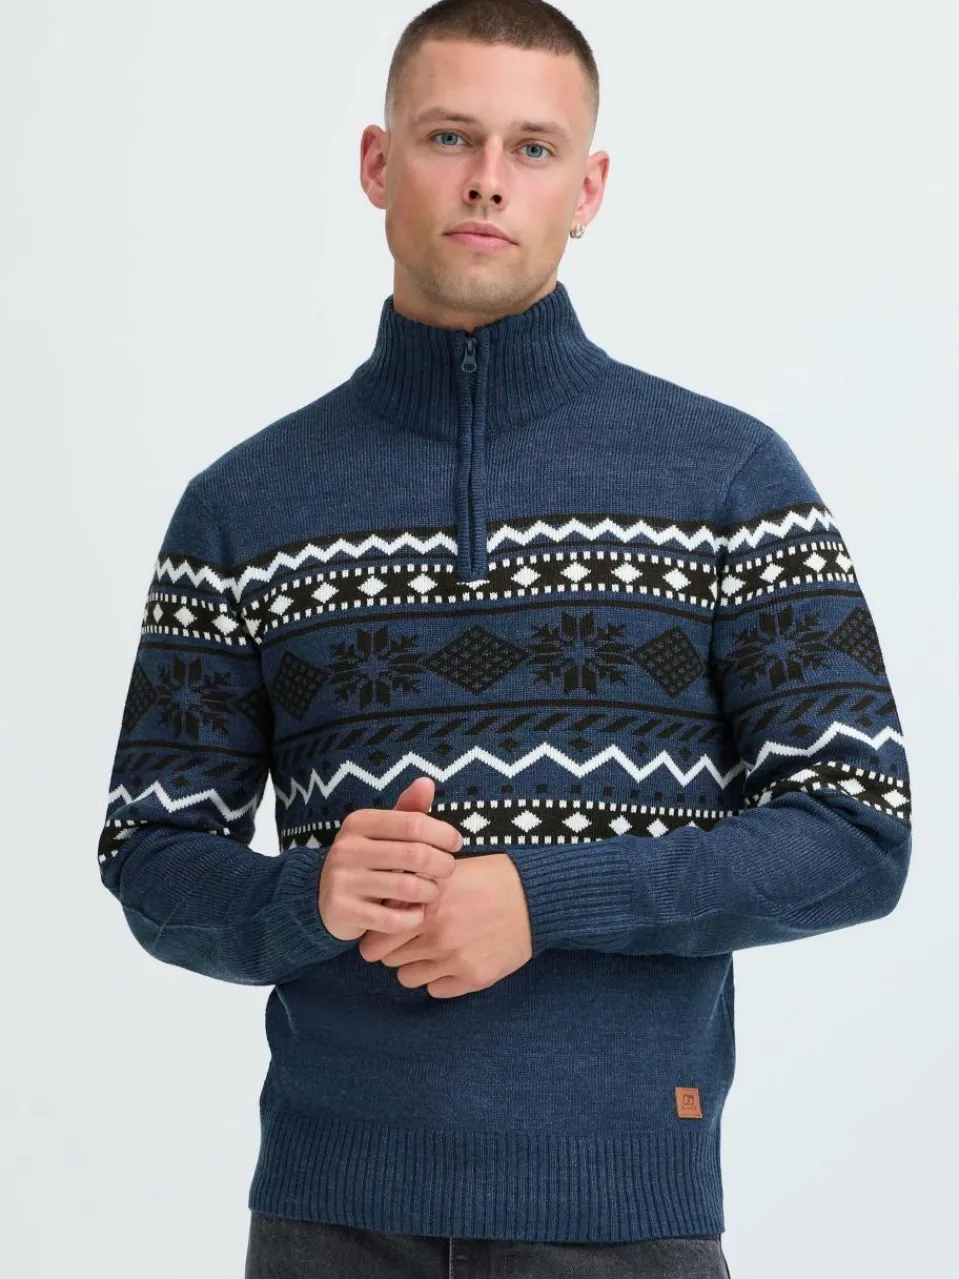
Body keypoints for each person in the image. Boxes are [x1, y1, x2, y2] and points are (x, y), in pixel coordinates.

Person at [96, 1, 912, 1276]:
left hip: (625, 1216)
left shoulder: (728, 477)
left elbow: (856, 832)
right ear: (377, 163)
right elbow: (149, 852)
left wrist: (540, 896)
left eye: (532, 148)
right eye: (448, 136)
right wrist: (306, 896)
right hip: (328, 1217)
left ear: (587, 189)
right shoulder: (243, 504)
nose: (487, 178)